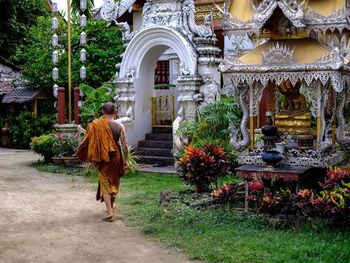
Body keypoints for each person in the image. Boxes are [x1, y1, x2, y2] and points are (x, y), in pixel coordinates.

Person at [76, 102, 128, 222]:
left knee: (105, 183)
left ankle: (110, 211)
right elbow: (124, 144)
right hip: (116, 157)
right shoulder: (119, 126)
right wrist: (125, 160)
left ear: (103, 112)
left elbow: (88, 141)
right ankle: (112, 206)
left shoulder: (96, 125)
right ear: (115, 112)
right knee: (114, 180)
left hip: (102, 158)